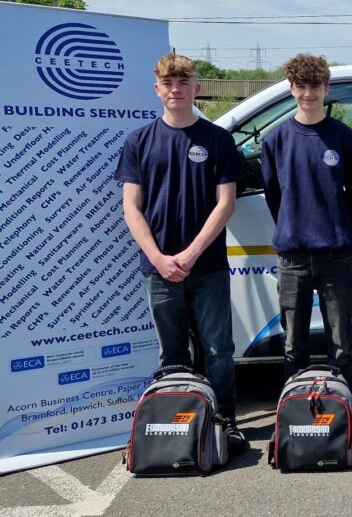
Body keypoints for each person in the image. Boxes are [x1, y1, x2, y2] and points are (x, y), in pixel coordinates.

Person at [115, 53, 248, 454]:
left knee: (218, 350)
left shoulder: (218, 140)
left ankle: (226, 423)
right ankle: (175, 428)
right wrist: (158, 257)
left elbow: (225, 204)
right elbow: (130, 207)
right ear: (157, 89)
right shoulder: (138, 141)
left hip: (206, 265)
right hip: (157, 269)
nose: (176, 89)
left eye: (183, 81)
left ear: (196, 88)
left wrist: (189, 254)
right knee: (171, 351)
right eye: (168, 83)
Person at [260, 54, 352, 385]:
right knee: (293, 344)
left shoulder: (343, 137)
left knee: (341, 343)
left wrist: (336, 222)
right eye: (301, 87)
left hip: (335, 255)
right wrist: (293, 224)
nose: (308, 94)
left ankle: (343, 411)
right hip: (293, 258)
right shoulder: (275, 140)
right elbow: (274, 194)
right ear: (291, 89)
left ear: (327, 88)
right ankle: (294, 410)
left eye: (315, 87)